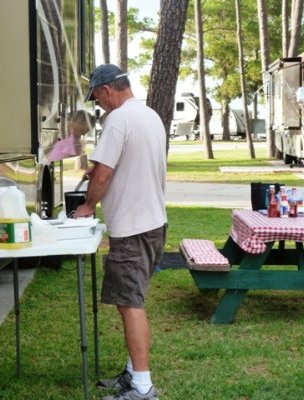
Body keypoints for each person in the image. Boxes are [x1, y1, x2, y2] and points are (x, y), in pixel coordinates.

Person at [74, 64, 167, 400]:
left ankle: (143, 387)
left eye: (97, 99)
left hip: (132, 227)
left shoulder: (117, 120)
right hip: (154, 223)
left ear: (106, 90)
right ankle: (132, 372)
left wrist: (87, 206)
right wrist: (96, 172)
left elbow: (104, 175)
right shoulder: (149, 115)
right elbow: (127, 164)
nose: (99, 106)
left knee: (130, 305)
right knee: (133, 301)